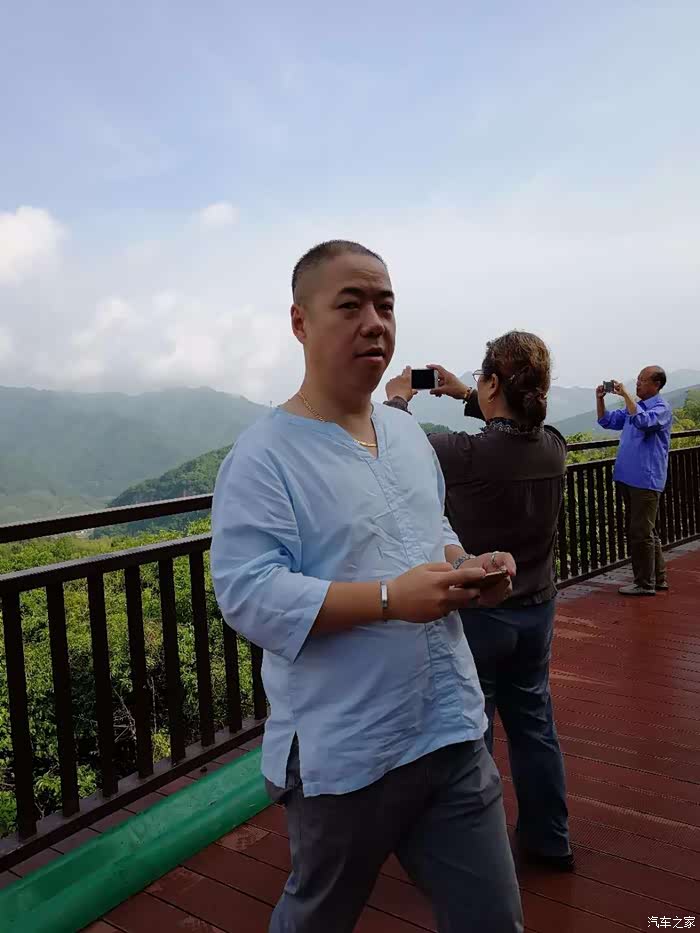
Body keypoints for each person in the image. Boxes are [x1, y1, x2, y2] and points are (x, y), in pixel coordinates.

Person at [211, 241, 524, 933]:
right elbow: (248, 592)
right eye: (350, 305)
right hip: (346, 749)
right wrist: (388, 600)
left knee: (495, 920)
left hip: (450, 725)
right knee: (317, 917)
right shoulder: (264, 456)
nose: (374, 322)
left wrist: (467, 565)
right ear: (300, 322)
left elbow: (431, 524)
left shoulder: (406, 434)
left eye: (385, 305)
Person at [385, 331, 573, 872]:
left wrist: (398, 399)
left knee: (473, 730)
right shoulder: (554, 446)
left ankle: (478, 853)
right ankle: (550, 839)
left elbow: (399, 453)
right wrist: (467, 395)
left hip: (480, 613)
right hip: (537, 608)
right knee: (534, 724)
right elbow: (515, 426)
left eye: (482, 380)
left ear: (493, 384)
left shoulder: (463, 454)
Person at [597, 367, 672, 596]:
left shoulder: (661, 409)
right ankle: (658, 579)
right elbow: (606, 421)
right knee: (647, 531)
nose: (638, 383)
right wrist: (600, 399)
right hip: (628, 478)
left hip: (645, 480)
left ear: (656, 385)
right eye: (637, 379)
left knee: (641, 533)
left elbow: (642, 421)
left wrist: (626, 395)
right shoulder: (634, 407)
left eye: (642, 380)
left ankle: (644, 583)